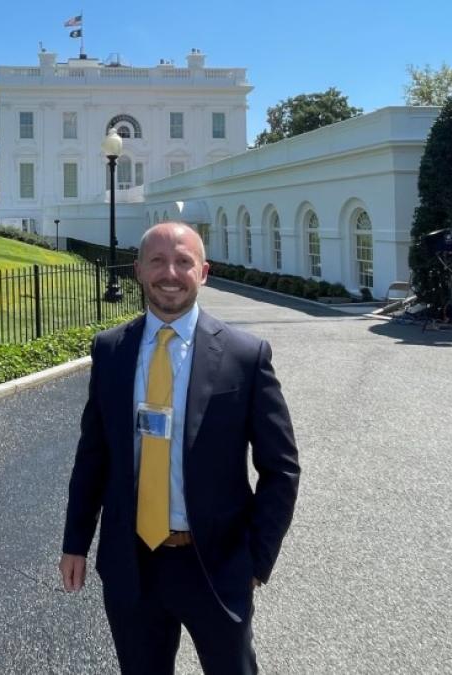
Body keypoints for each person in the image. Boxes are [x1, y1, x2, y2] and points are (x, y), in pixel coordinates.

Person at [59, 221, 300, 675]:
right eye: (157, 261)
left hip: (214, 564)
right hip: (131, 563)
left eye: (183, 261)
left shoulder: (245, 356)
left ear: (203, 272)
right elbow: (94, 455)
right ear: (138, 271)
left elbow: (281, 468)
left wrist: (255, 558)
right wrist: (75, 543)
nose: (170, 272)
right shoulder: (111, 351)